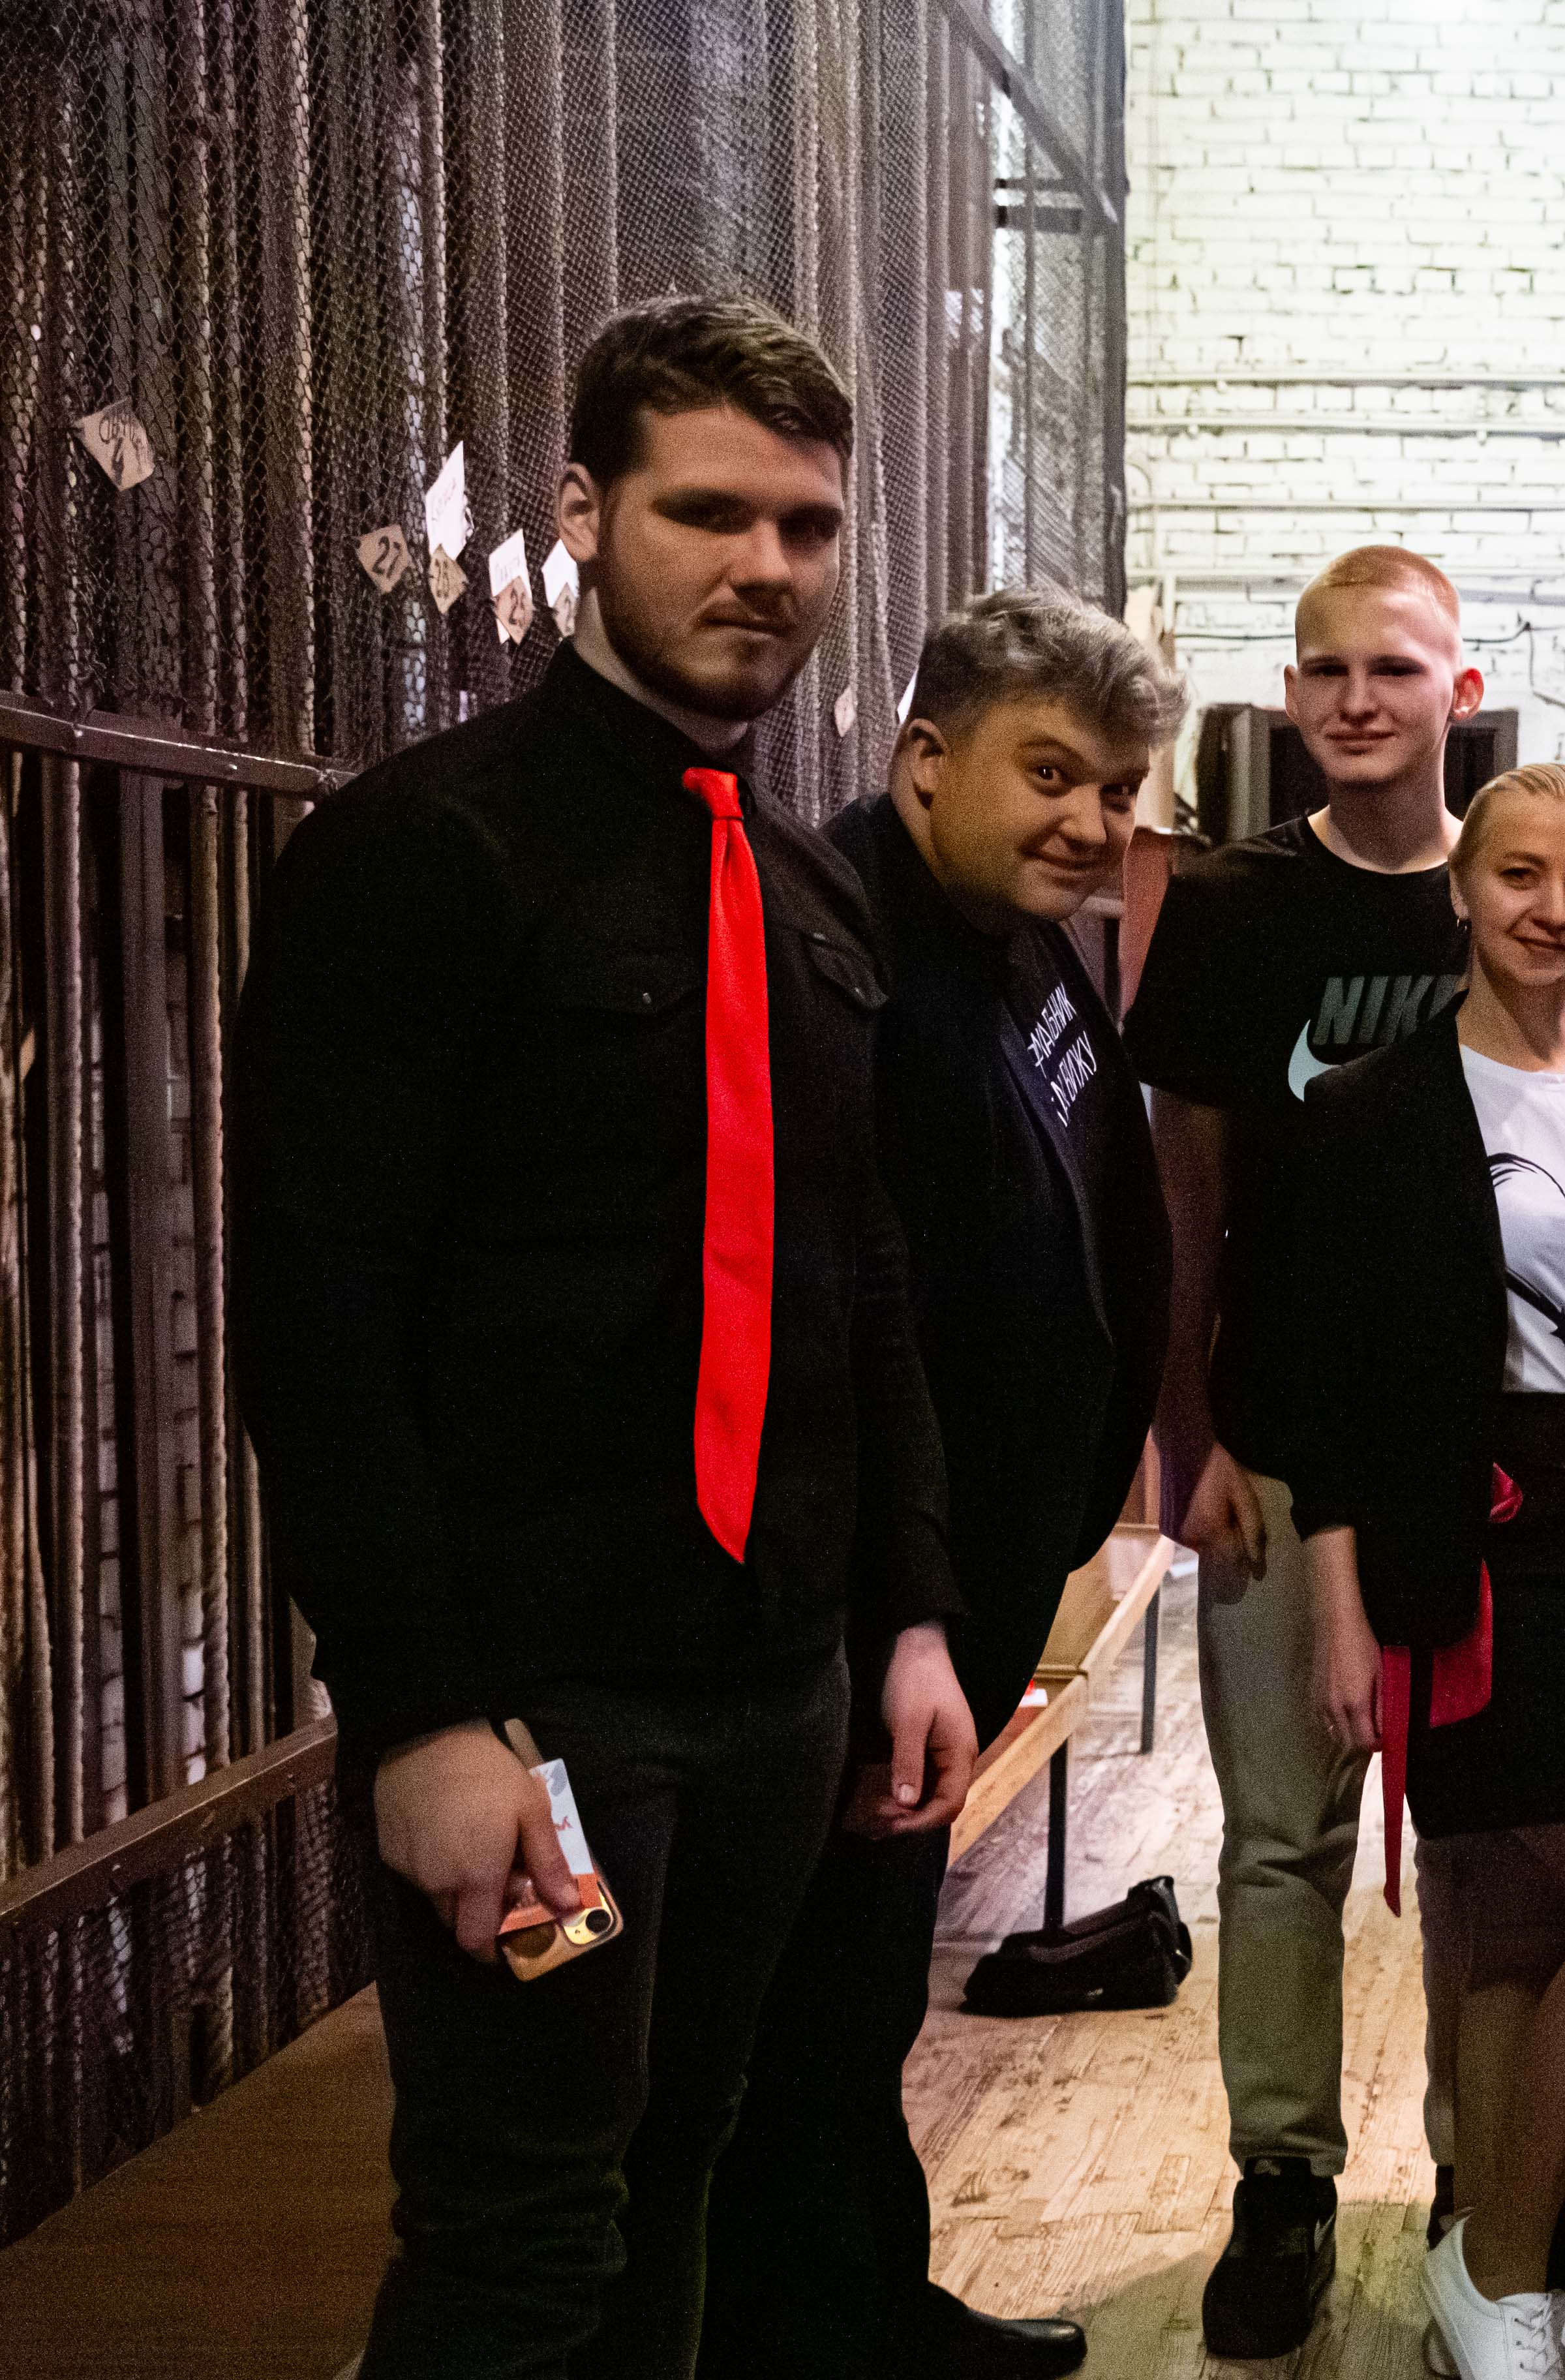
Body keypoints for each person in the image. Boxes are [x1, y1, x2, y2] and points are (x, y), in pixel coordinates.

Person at [232, 294, 975, 2379]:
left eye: (808, 526)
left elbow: (859, 1279)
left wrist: (912, 1615)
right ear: (582, 514)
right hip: (539, 1707)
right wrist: (420, 1714)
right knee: (521, 2238)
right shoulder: (424, 853)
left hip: (778, 1692)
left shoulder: (816, 894)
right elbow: (319, 1314)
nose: (766, 567)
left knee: (679, 2178)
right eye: (707, 513)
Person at [1119, 545, 1565, 2353]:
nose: (1359, 700)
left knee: (1488, 1861)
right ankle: (1281, 2180)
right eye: (1328, 670)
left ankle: (1487, 2184)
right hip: (1284, 1445)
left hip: (1493, 1480)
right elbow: (1185, 1192)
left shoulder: (1524, 894)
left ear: (1459, 691)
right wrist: (1185, 1430)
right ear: (1292, 697)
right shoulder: (1231, 905)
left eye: (1395, 669)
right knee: (1283, 1839)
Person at [699, 590, 1183, 2380]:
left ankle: (866, 2301)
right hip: (861, 1592)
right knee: (810, 1997)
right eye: (1050, 774)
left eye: (1115, 789)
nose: (1089, 821)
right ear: (924, 760)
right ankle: (799, 2333)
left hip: (974, 1571)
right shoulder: (839, 952)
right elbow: (842, 1314)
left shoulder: (1025, 936)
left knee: (866, 1982)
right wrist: (895, 1604)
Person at [1287, 763, 1565, 2380]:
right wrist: (1341, 1618)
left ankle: (1504, 2294)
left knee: (1524, 1938)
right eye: (1523, 876)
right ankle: (1494, 2269)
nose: (1554, 910)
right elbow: (1324, 1391)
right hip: (1467, 1561)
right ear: (1463, 892)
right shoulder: (1374, 1107)